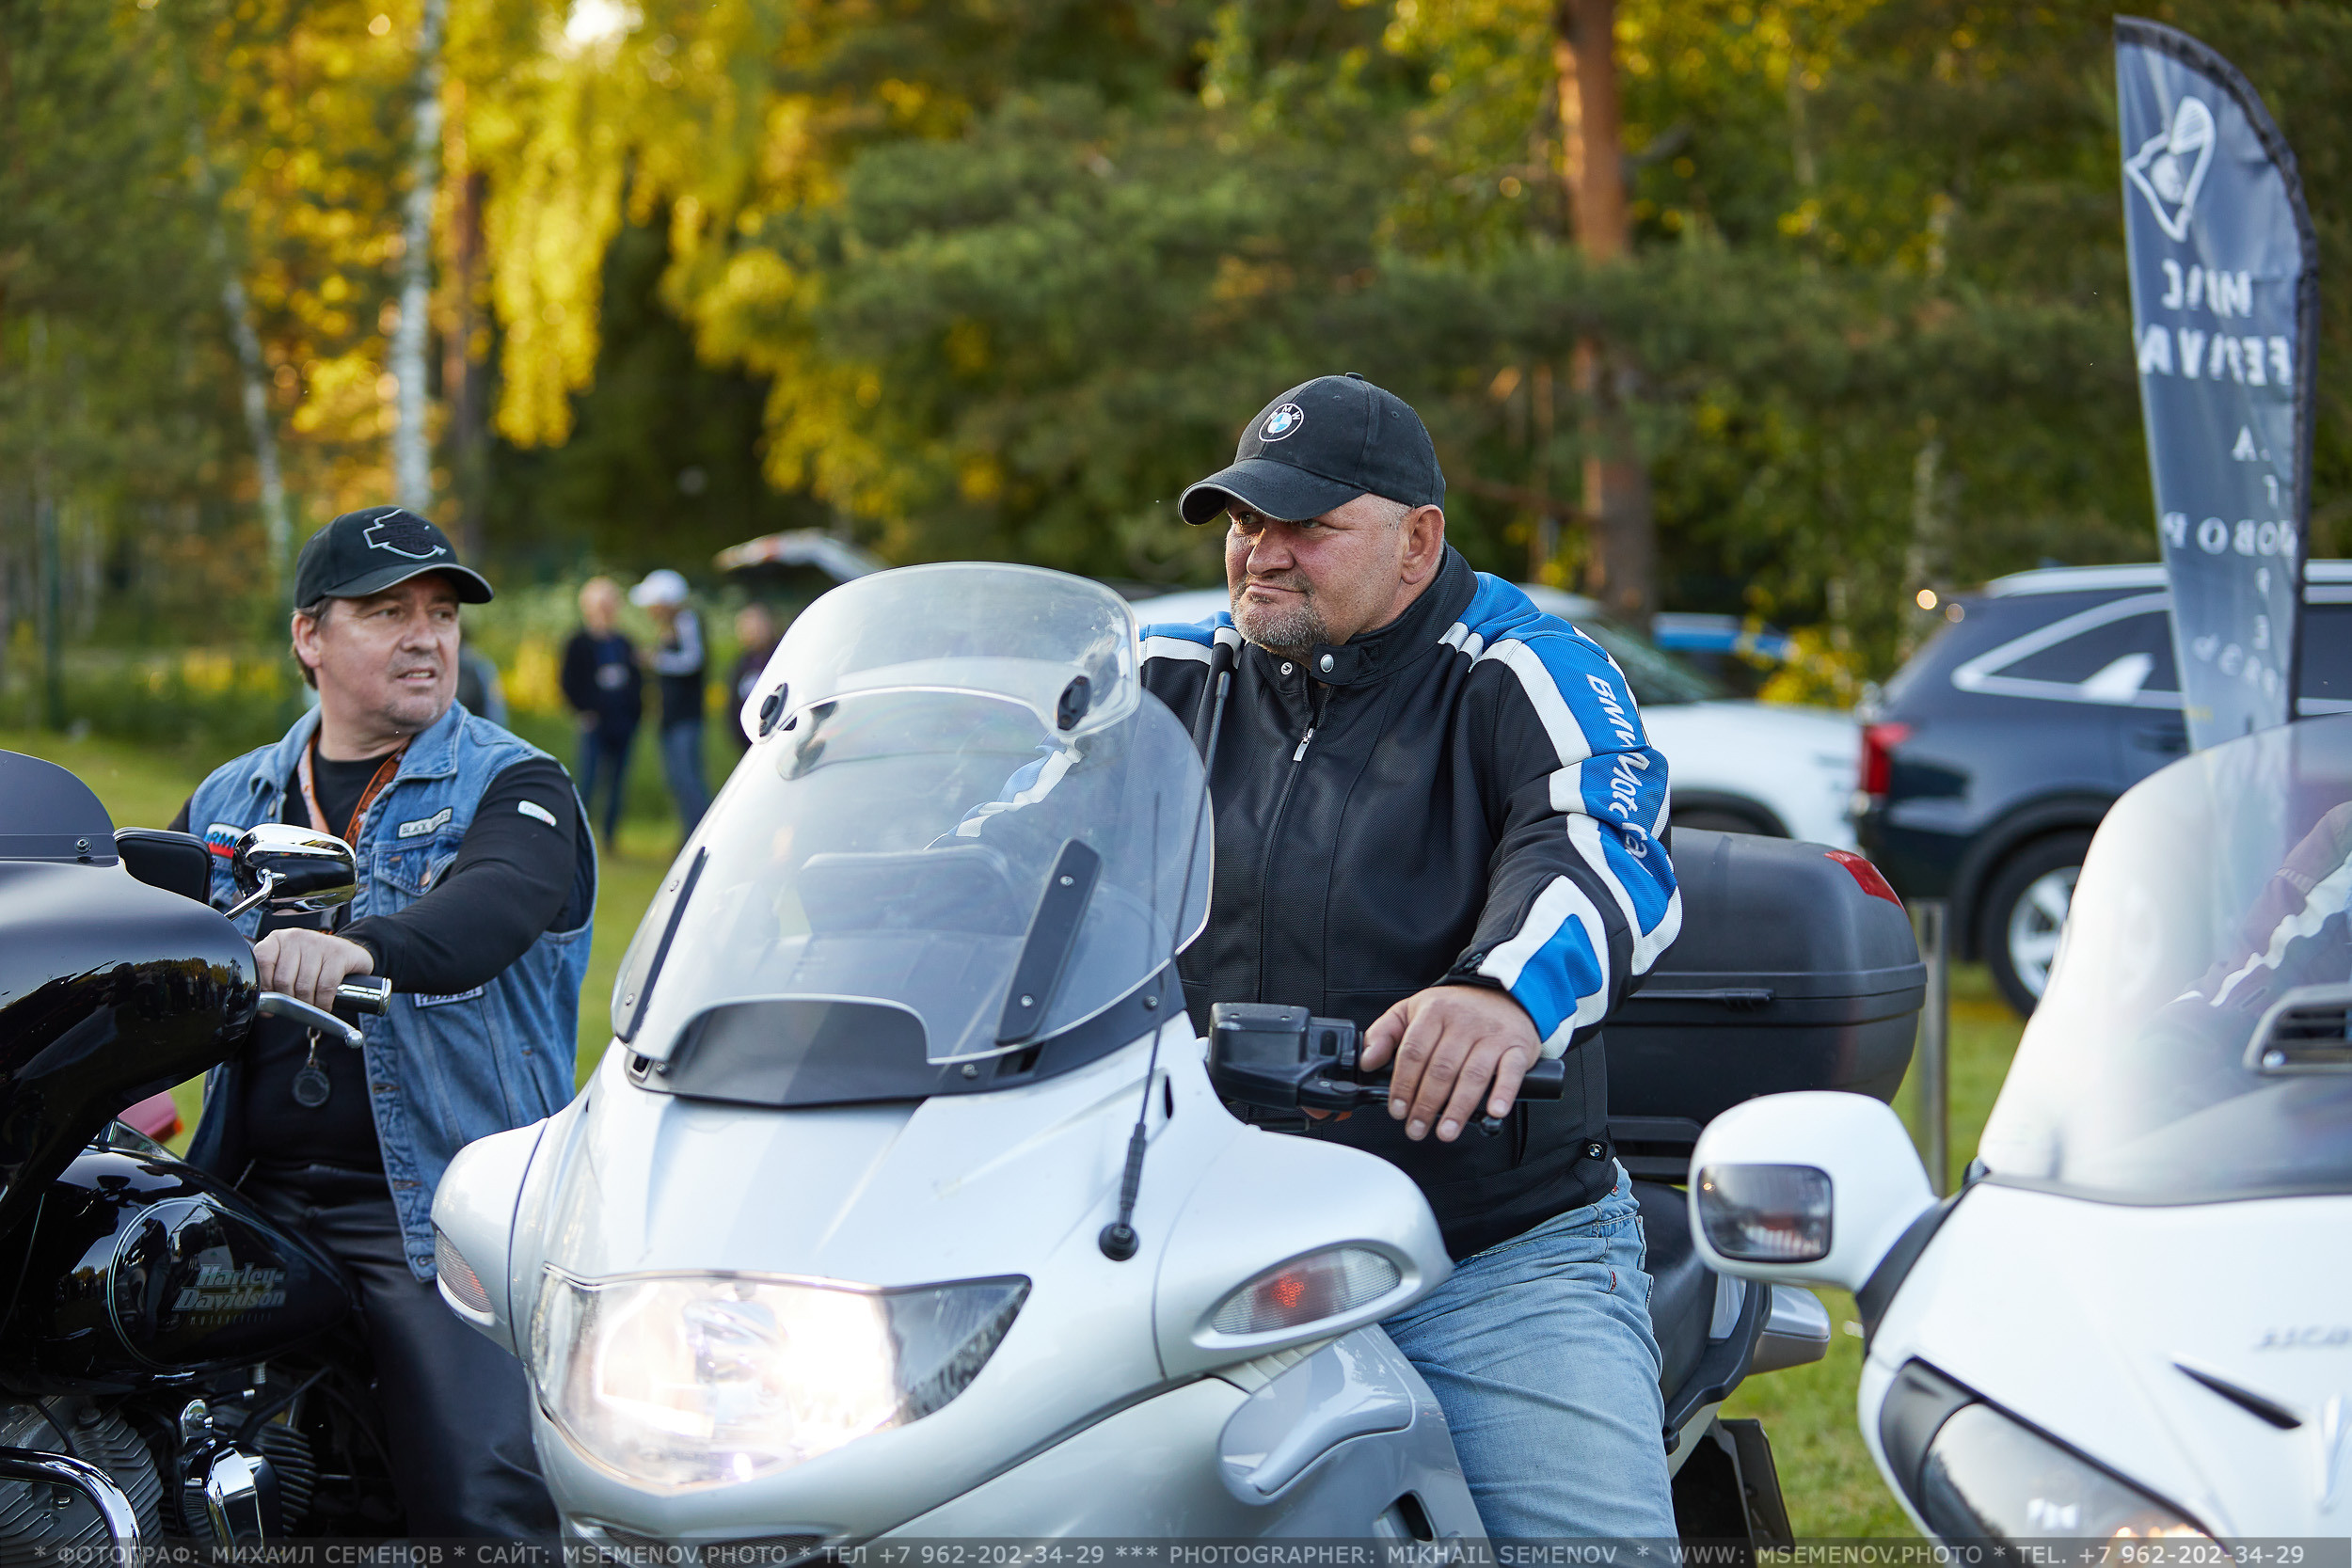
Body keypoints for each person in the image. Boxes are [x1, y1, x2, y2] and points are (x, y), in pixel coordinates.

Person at [1140, 374, 1682, 1541]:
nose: (1262, 556)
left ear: (1416, 539)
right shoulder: (1165, 672)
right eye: (1244, 522)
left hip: (1481, 1244)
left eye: (1307, 527)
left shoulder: (1529, 669)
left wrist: (1500, 993)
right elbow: (1004, 822)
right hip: (1200, 1234)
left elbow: (1602, 846)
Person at [173, 504, 596, 1539]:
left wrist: (360, 946)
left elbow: (490, 905)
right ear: (309, 636)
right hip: (252, 1191)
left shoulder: (520, 786)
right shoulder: (231, 797)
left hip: (438, 1212)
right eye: (386, 609)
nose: (426, 634)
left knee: (483, 1502)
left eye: (442, 611)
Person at [560, 577, 641, 850]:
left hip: (623, 723)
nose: (605, 610)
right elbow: (567, 681)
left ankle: (609, 838)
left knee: (617, 784)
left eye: (609, 604)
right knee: (588, 781)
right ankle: (579, 838)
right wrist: (583, 710)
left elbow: (638, 681)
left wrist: (635, 714)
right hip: (594, 724)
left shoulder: (624, 643)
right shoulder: (578, 642)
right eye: (599, 604)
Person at [631, 567, 709, 834]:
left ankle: (700, 836)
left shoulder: (687, 620)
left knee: (688, 780)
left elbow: (693, 660)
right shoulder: (673, 626)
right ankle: (689, 837)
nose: (650, 610)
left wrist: (655, 660)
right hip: (671, 717)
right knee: (677, 781)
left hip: (685, 717)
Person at [728, 601, 781, 754]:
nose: (750, 631)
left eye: (755, 624)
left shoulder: (780, 656)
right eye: (745, 626)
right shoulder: (741, 664)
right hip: (749, 744)